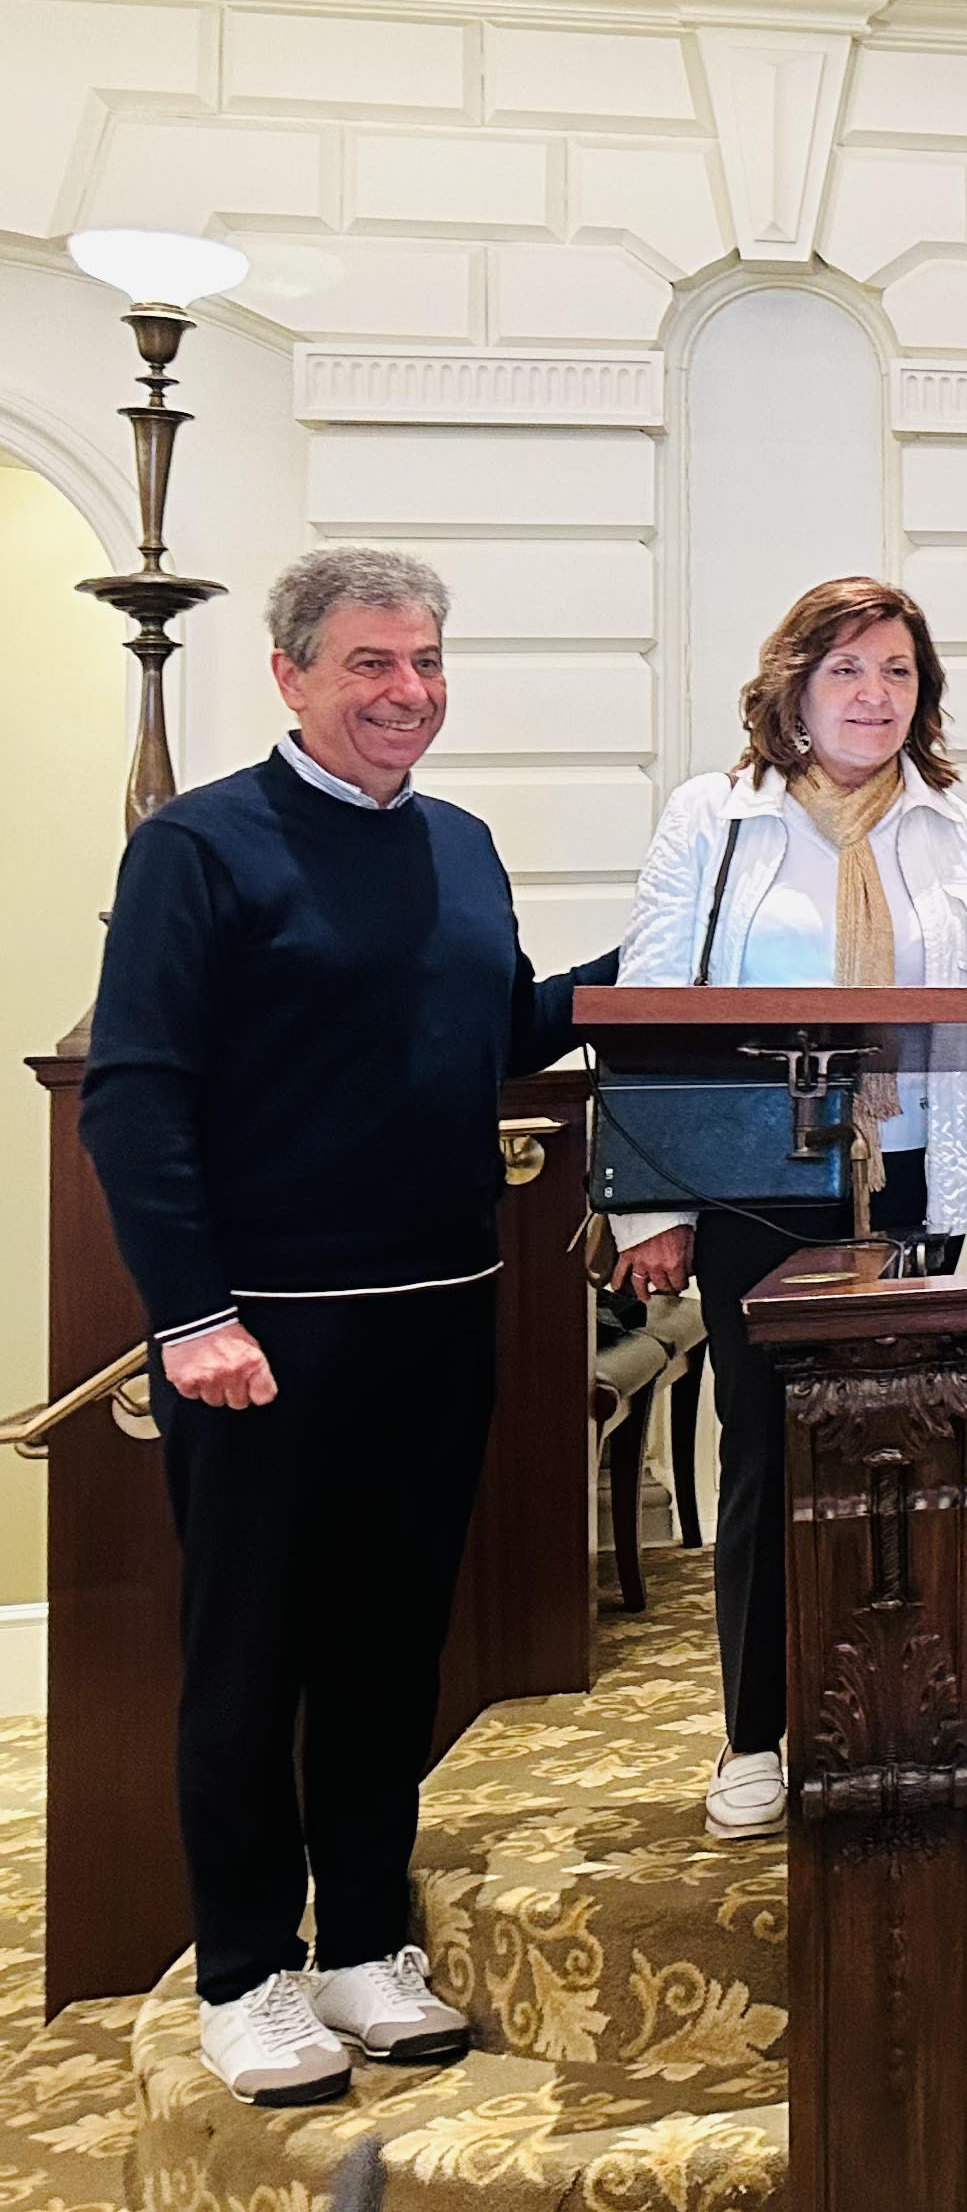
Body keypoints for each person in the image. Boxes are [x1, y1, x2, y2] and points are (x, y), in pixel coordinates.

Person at [80, 547, 616, 2107]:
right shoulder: (199, 846)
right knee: (250, 1663)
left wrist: (651, 963)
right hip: (258, 1339)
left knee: (390, 1653)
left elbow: (501, 1030)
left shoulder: (461, 845)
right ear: (293, 675)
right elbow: (134, 1099)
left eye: (427, 661)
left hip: (438, 1319)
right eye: (373, 662)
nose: (408, 692)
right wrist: (191, 1313)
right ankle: (244, 1972)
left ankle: (364, 1943)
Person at [607, 577, 967, 1843]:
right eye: (848, 670)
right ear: (795, 686)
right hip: (760, 1184)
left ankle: (904, 1709)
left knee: (911, 1449)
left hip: (912, 1180)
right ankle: (757, 1730)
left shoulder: (953, 831)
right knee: (769, 1452)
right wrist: (651, 1204)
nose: (875, 695)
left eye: (898, 672)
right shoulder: (716, 820)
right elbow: (653, 1005)